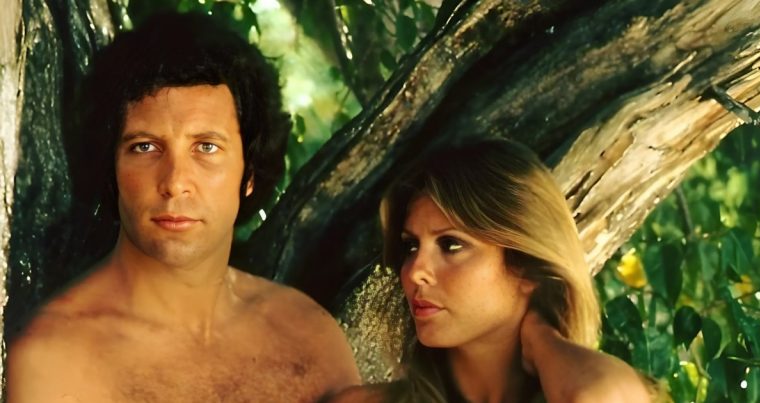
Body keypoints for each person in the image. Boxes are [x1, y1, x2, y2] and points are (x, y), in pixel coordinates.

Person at [6, 12, 360, 402]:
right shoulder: (55, 362)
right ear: (111, 168)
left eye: (206, 147)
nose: (175, 182)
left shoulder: (310, 335)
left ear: (249, 173)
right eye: (145, 147)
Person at [331, 138, 655, 402]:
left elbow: (605, 396)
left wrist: (542, 340)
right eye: (411, 246)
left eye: (451, 245)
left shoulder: (581, 387)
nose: (415, 271)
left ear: (527, 268)